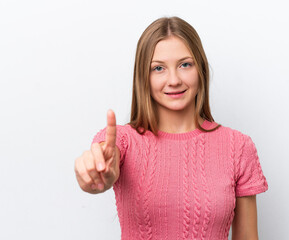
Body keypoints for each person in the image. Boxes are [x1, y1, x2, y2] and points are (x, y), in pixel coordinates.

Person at [74, 16, 268, 240]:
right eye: (158, 68)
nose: (174, 80)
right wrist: (95, 175)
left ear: (200, 69)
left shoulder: (238, 146)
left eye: (185, 64)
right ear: (143, 77)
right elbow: (100, 166)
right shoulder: (122, 141)